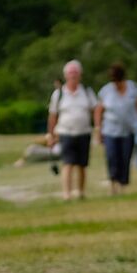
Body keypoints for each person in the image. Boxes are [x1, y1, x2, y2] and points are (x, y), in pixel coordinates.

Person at [47, 60, 97, 200]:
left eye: (76, 73)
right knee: (67, 163)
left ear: (80, 75)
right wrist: (51, 135)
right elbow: (52, 116)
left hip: (84, 132)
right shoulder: (58, 94)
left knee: (82, 164)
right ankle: (66, 193)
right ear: (66, 76)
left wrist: (98, 127)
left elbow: (95, 110)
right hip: (65, 132)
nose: (73, 76)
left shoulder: (86, 92)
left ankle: (80, 191)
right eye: (71, 74)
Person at [95, 62, 137, 195]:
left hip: (129, 130)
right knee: (112, 157)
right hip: (110, 130)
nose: (116, 84)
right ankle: (113, 184)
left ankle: (123, 185)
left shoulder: (133, 88)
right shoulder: (106, 90)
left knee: (125, 157)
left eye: (119, 81)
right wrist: (98, 129)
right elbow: (98, 110)